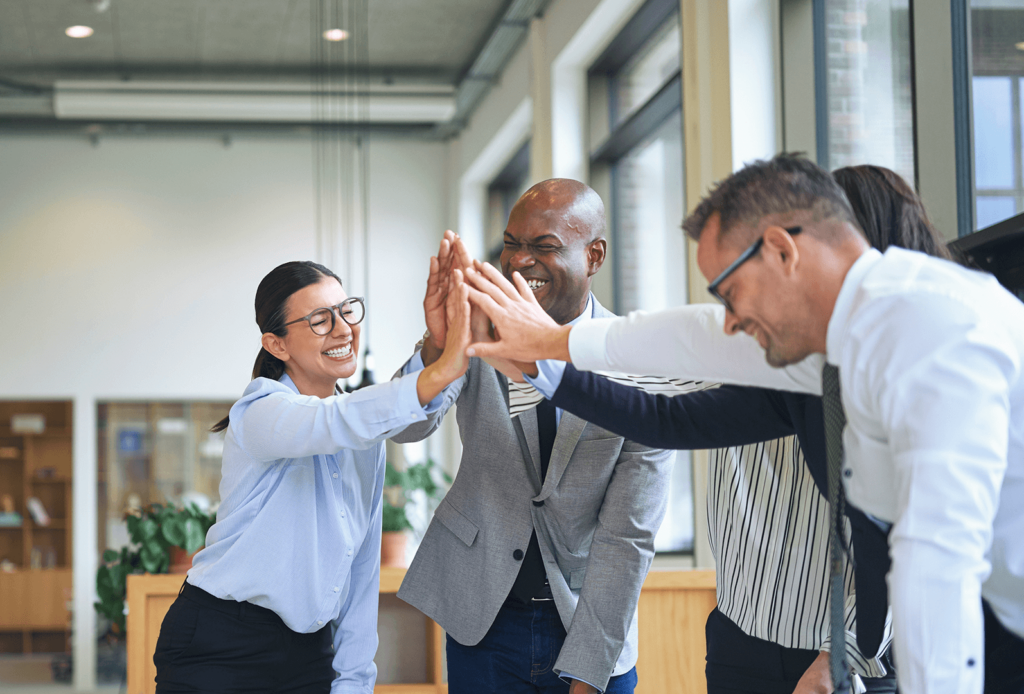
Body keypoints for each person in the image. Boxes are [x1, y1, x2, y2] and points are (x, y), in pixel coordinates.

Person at [462, 154, 1024, 694]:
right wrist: (545, 349)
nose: (731, 318)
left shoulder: (934, 330)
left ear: (781, 252)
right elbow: (689, 356)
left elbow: (937, 564)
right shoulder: (827, 351)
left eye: (729, 291)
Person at [390, 180, 674, 694]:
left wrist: (589, 675)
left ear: (594, 255)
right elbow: (407, 427)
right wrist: (440, 342)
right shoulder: (476, 330)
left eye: (544, 247)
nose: (520, 261)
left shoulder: (636, 361)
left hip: (589, 622)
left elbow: (629, 534)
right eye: (512, 243)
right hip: (482, 617)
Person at [153, 258, 473, 694]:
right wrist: (441, 362)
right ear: (277, 344)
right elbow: (333, 421)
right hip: (220, 640)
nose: (343, 329)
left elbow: (360, 572)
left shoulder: (365, 436)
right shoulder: (260, 412)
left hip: (308, 651)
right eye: (320, 320)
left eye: (346, 311)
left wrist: (355, 682)